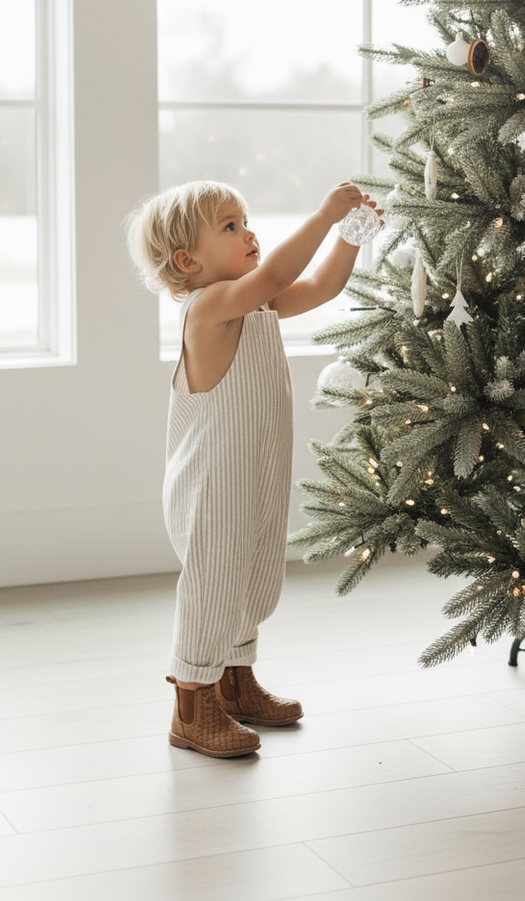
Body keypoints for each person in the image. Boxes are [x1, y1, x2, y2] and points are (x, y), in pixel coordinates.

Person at [126, 180, 381, 758]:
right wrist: (324, 215)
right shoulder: (209, 308)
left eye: (245, 221)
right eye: (230, 226)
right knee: (214, 582)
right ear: (188, 261)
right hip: (211, 481)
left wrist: (352, 233)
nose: (249, 233)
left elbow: (321, 287)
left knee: (255, 572)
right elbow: (274, 275)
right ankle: (191, 706)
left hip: (258, 466)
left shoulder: (258, 305)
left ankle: (235, 682)